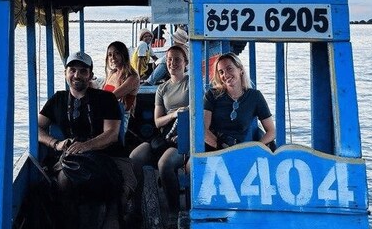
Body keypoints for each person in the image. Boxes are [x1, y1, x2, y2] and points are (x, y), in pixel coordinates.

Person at [37, 50, 127, 229]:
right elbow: (37, 126)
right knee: (61, 184)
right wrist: (56, 143)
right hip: (74, 162)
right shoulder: (57, 100)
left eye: (83, 71)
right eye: (72, 71)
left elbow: (111, 135)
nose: (77, 76)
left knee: (119, 200)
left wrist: (85, 146)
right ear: (66, 74)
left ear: (90, 75)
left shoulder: (106, 98)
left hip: (109, 159)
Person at [130, 45, 190, 210]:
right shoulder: (162, 89)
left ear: (185, 62)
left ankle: (174, 213)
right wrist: (173, 114)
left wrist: (182, 113)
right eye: (169, 59)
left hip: (183, 139)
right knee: (135, 157)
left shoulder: (191, 84)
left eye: (177, 59)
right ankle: (136, 207)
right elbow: (157, 122)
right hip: (165, 137)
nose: (172, 63)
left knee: (165, 164)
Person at [203, 52, 276, 151]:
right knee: (190, 165)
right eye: (221, 72)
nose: (226, 74)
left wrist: (256, 148)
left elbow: (271, 131)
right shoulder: (211, 95)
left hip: (243, 150)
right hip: (215, 149)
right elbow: (203, 130)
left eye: (229, 68)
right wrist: (222, 148)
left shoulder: (255, 96)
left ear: (240, 70)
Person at [102, 41, 140, 137]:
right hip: (105, 114)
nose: (112, 58)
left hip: (119, 118)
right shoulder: (111, 74)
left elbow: (112, 97)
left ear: (124, 55)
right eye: (110, 55)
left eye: (117, 53)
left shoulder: (132, 77)